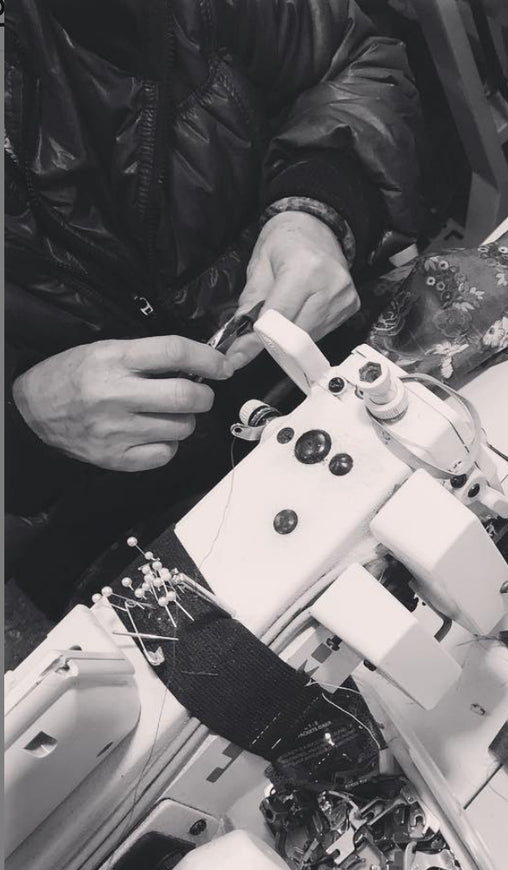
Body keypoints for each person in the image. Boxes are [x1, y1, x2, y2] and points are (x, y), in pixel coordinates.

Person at [5, 0, 422, 612]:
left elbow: (352, 60)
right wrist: (24, 421)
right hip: (110, 512)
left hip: (337, 352)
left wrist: (320, 206)